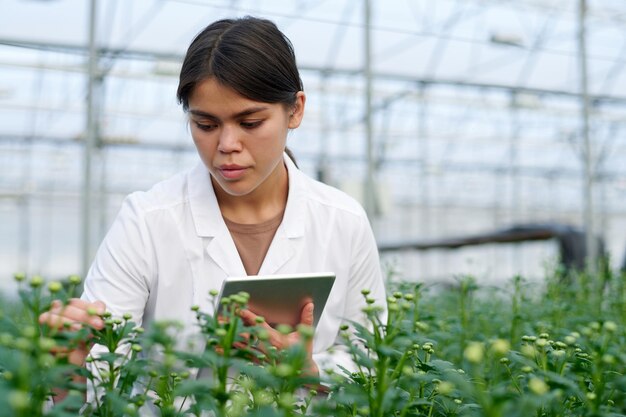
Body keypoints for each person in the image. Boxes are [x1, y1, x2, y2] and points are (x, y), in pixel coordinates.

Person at [40, 15, 387, 386]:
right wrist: (68, 369)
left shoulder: (343, 220)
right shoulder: (147, 220)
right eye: (205, 125)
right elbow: (101, 368)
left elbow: (371, 359)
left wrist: (311, 372)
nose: (226, 145)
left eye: (250, 123)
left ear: (296, 110)